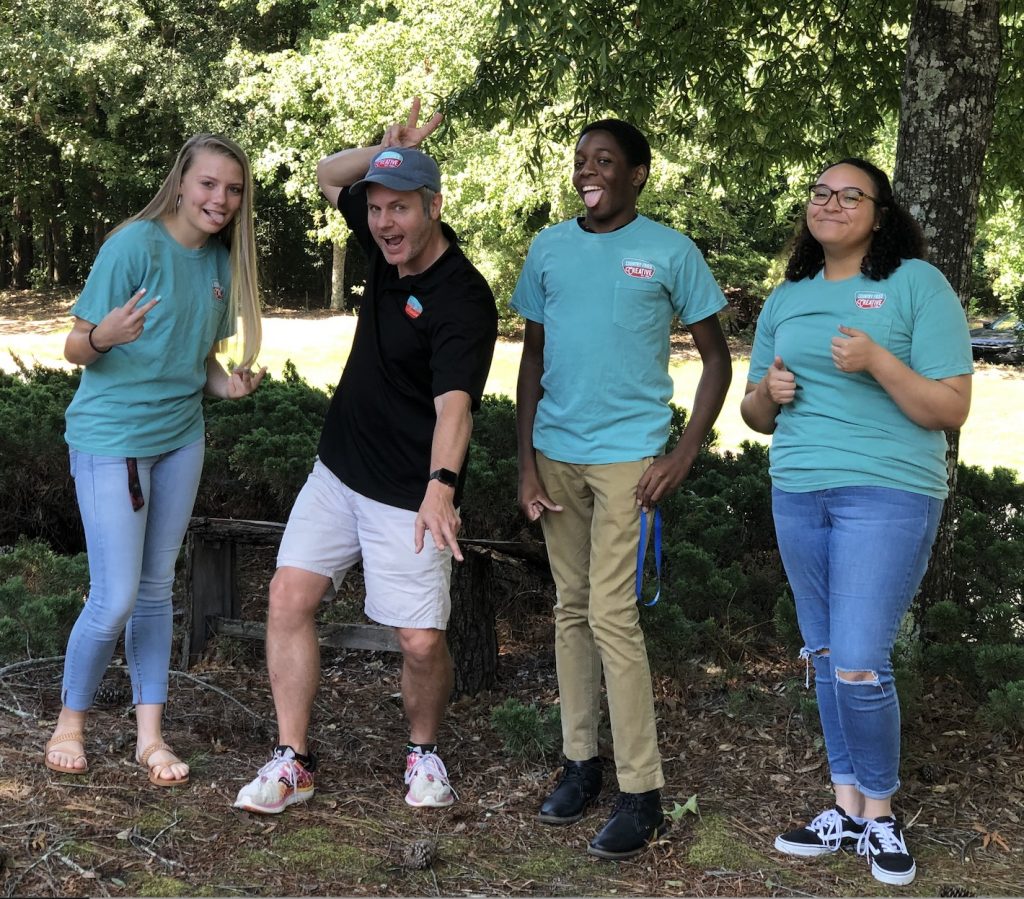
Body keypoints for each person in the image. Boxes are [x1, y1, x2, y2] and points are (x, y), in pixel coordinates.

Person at [232, 100, 497, 814]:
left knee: (417, 638)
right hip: (338, 467)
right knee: (288, 597)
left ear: (434, 206)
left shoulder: (463, 298)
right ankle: (293, 759)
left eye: (401, 207)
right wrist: (382, 148)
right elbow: (326, 175)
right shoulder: (385, 243)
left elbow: (456, 406)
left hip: (408, 492)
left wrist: (441, 486)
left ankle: (423, 751)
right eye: (376, 207)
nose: (384, 222)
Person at [741, 158, 973, 886]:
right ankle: (842, 805)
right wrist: (770, 395)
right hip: (800, 489)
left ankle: (879, 814)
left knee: (860, 659)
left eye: (850, 195)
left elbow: (951, 407)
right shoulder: (788, 297)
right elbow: (753, 414)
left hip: (890, 491)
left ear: (880, 211)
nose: (831, 203)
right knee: (823, 653)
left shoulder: (915, 285)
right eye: (820, 192)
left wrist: (876, 360)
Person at [513, 119, 733, 859]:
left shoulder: (670, 250)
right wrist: (524, 463)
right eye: (580, 160)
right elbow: (532, 358)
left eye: (604, 160)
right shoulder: (548, 247)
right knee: (570, 609)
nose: (588, 171)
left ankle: (644, 794)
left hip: (630, 462)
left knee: (611, 615)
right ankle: (581, 765)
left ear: (639, 172)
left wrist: (684, 451)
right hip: (556, 455)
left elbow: (715, 359)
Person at [44, 134, 265, 786]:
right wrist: (103, 335)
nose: (220, 198)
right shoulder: (132, 246)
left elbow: (196, 360)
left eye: (232, 189)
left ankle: (150, 737)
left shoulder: (219, 262)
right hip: (112, 440)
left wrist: (227, 385)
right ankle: (69, 722)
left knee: (154, 591)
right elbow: (74, 347)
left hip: (179, 440)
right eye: (208, 184)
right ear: (181, 182)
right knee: (113, 597)